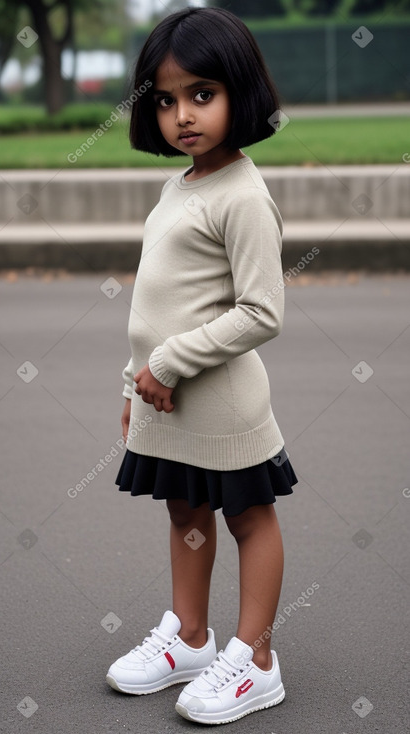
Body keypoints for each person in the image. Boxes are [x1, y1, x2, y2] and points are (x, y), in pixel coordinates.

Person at [106, 6, 298, 725]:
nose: (182, 113)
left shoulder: (244, 195)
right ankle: (189, 637)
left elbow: (261, 311)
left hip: (221, 403)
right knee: (184, 508)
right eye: (164, 98)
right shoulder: (178, 187)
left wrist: (168, 362)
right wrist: (135, 383)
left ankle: (254, 659)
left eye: (201, 94)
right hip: (165, 401)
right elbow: (156, 304)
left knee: (249, 516)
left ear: (239, 93)